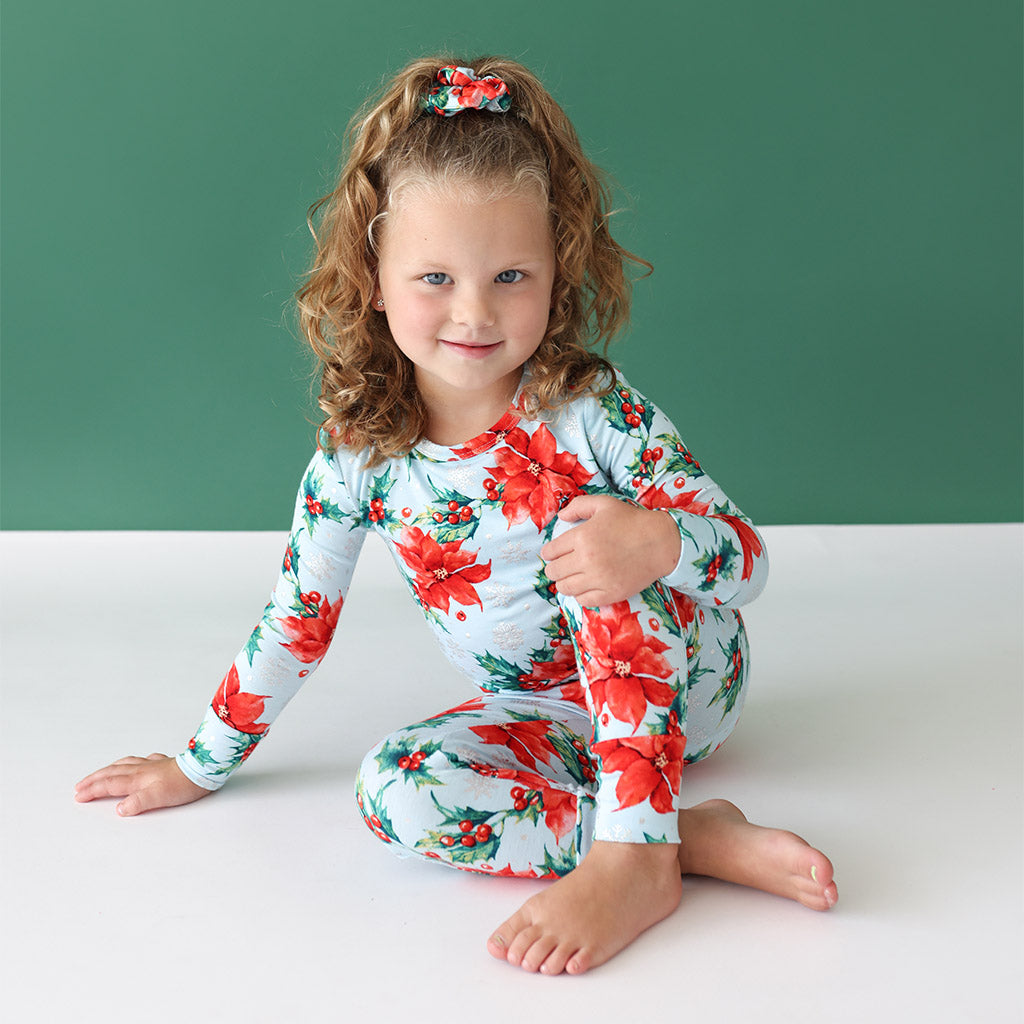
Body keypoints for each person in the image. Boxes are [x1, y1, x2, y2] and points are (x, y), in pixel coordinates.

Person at [75, 57, 837, 975]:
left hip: (683, 685)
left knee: (590, 538)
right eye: (434, 276)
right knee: (394, 792)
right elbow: (297, 620)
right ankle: (683, 836)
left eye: (511, 274)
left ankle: (635, 860)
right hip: (546, 720)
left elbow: (748, 562)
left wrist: (656, 541)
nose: (473, 312)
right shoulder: (359, 458)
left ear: (557, 271)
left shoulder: (595, 411)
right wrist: (199, 764)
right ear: (373, 277)